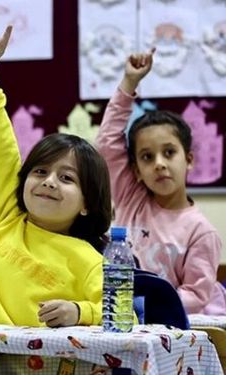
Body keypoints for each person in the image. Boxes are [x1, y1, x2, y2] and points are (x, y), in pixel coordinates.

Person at [0, 26, 112, 327]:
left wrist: (80, 311)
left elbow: (126, 316)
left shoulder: (89, 260)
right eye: (41, 171)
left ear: (87, 203)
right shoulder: (10, 218)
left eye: (67, 178)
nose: (49, 181)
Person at [96, 49, 226, 315]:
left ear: (189, 159)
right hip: (126, 319)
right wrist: (129, 84)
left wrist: (142, 306)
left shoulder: (201, 232)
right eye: (147, 156)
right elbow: (107, 142)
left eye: (169, 152)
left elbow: (196, 295)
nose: (159, 163)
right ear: (136, 170)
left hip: (173, 330)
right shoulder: (131, 198)